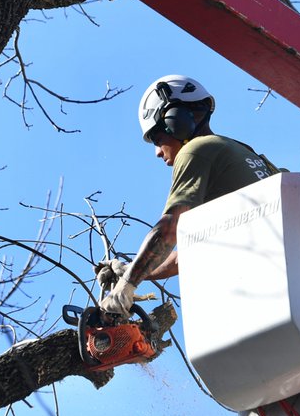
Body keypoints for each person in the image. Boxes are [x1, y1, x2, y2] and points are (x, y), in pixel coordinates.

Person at [98, 74, 280, 316]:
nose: (156, 152)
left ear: (176, 121)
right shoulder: (241, 152)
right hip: (282, 276)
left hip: (261, 286)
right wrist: (131, 269)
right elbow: (181, 258)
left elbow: (169, 229)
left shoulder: (196, 150)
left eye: (156, 137)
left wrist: (127, 285)